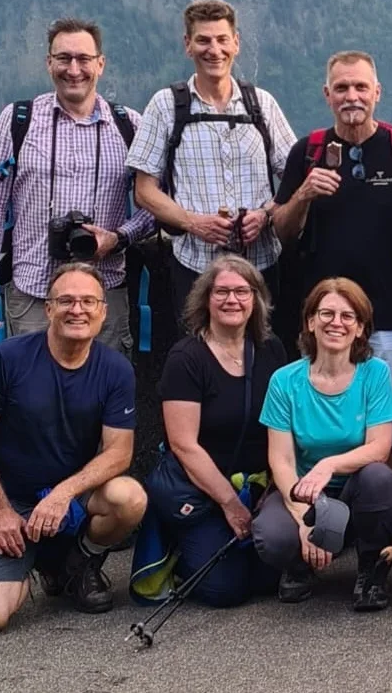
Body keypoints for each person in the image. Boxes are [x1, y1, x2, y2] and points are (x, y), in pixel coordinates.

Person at [0, 263, 149, 632]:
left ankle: (79, 562)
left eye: (87, 301)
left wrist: (63, 493)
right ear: (48, 309)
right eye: (65, 301)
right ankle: (35, 562)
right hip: (13, 500)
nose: (77, 310)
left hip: (73, 497)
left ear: (102, 310)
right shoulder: (8, 358)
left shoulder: (116, 369)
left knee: (130, 497)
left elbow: (119, 452)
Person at [0, 17, 154, 351]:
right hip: (33, 294)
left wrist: (118, 237)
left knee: (102, 396)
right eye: (63, 58)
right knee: (31, 398)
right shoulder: (17, 121)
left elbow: (154, 206)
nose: (74, 69)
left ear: (100, 64)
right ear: (48, 63)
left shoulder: (130, 126)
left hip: (103, 294)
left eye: (83, 59)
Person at [274, 51, 392, 447]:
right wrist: (303, 194)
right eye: (341, 88)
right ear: (327, 94)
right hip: (324, 315)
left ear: (377, 92)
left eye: (360, 86)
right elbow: (282, 230)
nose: (351, 96)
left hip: (389, 311)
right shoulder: (307, 151)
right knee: (322, 416)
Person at [128, 0, 296, 337]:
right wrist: (194, 223)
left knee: (263, 357)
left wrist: (264, 216)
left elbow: (293, 179)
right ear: (187, 45)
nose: (213, 50)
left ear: (236, 42)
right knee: (197, 360)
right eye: (203, 40)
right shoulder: (166, 105)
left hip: (260, 264)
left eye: (222, 39)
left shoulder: (261, 104)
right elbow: (144, 191)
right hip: (195, 268)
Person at [253, 279, 392, 611]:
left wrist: (329, 464)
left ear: (361, 328)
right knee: (272, 538)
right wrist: (305, 519)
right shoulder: (284, 380)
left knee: (379, 478)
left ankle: (370, 567)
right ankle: (299, 565)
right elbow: (280, 459)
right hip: (303, 492)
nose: (336, 322)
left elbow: (379, 448)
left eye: (348, 316)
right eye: (326, 313)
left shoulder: (375, 373)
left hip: (355, 491)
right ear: (310, 321)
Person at [155, 255, 287, 606]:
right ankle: (178, 551)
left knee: (269, 578)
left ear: (256, 299)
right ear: (205, 298)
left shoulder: (272, 350)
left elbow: (283, 428)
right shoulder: (186, 358)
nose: (232, 300)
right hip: (204, 490)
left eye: (242, 291)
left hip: (258, 486)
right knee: (224, 591)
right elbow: (183, 445)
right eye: (222, 292)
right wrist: (229, 504)